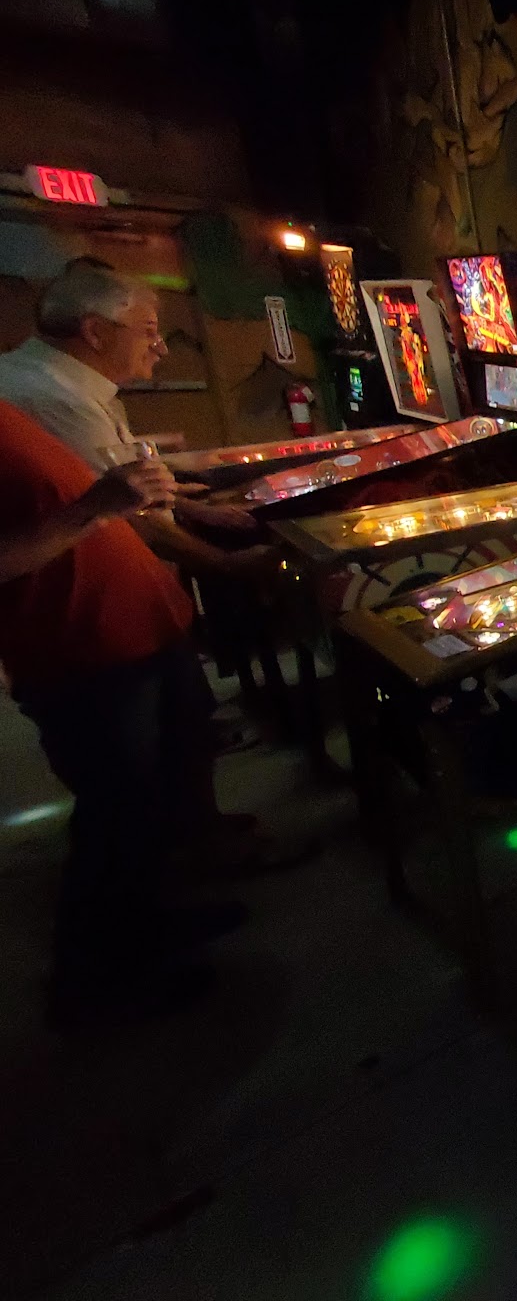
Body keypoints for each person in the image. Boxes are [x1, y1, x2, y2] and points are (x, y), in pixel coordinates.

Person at [0, 401, 244, 1023]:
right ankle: (93, 986)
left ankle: (150, 924)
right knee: (116, 817)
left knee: (151, 804)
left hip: (133, 635)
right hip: (82, 651)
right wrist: (94, 507)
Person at [0, 266, 271, 576]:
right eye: (148, 332)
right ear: (96, 332)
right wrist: (227, 563)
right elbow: (126, 515)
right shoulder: (61, 401)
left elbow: (118, 490)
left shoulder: (43, 378)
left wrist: (195, 509)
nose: (161, 348)